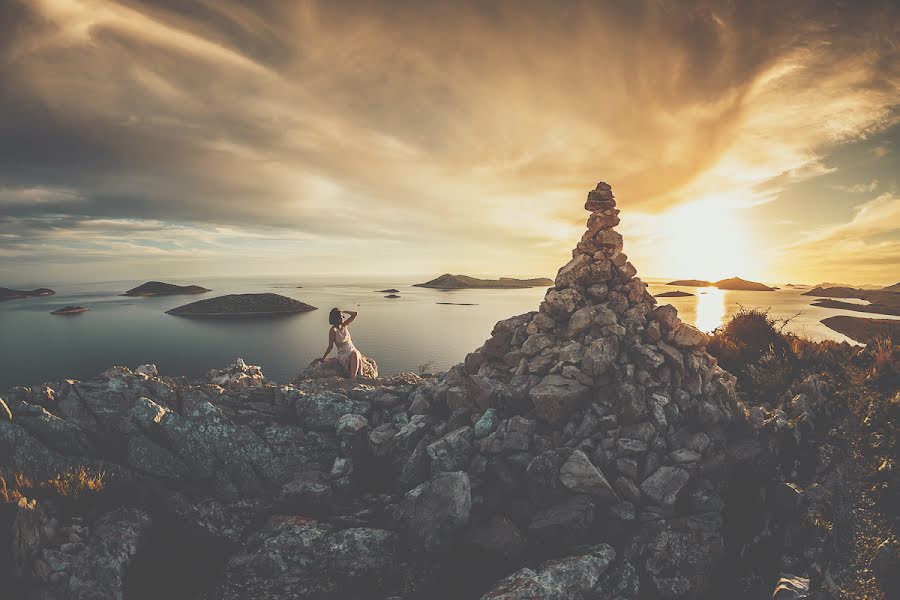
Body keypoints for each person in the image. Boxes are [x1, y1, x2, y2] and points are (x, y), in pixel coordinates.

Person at [321, 307, 364, 379]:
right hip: (343, 354)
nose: (343, 317)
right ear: (337, 319)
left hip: (352, 350)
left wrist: (343, 310)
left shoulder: (344, 325)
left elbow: (355, 314)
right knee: (355, 354)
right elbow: (330, 346)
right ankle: (352, 379)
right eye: (341, 316)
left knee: (356, 354)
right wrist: (323, 358)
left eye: (343, 316)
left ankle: (358, 376)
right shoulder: (333, 331)